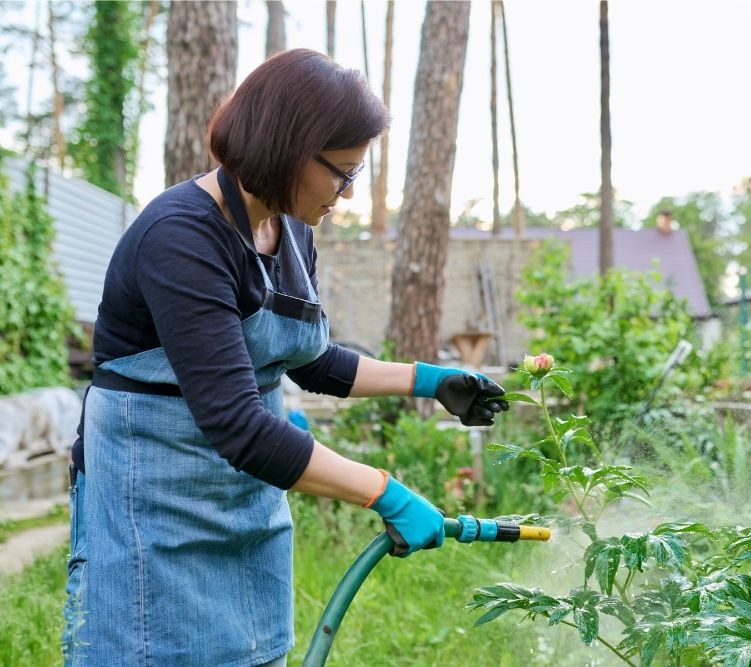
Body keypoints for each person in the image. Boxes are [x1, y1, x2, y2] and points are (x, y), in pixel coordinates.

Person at [62, 49, 508, 667]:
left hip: (243, 500)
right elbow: (239, 426)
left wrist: (430, 380)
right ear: (289, 149)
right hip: (153, 502)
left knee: (251, 652)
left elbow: (311, 360)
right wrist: (384, 492)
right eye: (342, 174)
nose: (347, 195)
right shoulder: (182, 236)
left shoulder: (292, 229)